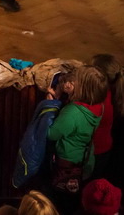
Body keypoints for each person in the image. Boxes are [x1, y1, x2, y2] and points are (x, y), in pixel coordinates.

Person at [47, 66, 107, 210]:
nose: (73, 82)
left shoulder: (72, 112)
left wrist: (50, 105)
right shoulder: (99, 106)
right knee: (74, 200)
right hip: (84, 161)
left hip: (66, 163)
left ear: (83, 89)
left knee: (61, 202)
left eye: (76, 81)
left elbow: (52, 134)